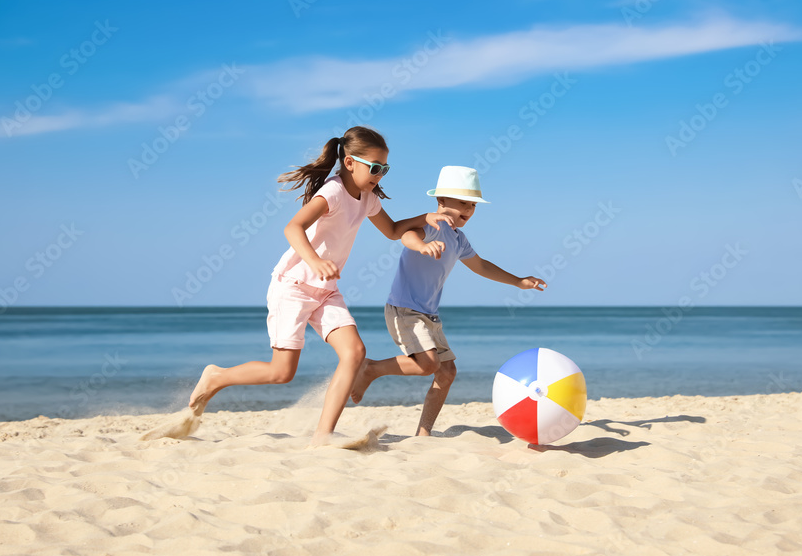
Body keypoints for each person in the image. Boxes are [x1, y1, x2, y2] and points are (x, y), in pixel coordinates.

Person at [186, 127, 452, 445]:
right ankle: (217, 376)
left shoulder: (367, 198)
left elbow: (393, 230)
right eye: (375, 167)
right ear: (350, 162)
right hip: (294, 286)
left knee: (354, 352)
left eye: (385, 169)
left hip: (326, 291)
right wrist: (314, 261)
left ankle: (322, 435)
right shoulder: (333, 192)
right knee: (281, 373)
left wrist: (426, 216)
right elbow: (293, 227)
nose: (380, 175)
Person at [350, 165, 547, 436]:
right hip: (404, 310)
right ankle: (370, 368)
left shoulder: (458, 238)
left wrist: (518, 281)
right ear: (441, 201)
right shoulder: (434, 224)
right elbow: (408, 234)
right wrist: (421, 246)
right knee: (428, 364)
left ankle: (423, 433)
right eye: (464, 203)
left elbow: (480, 265)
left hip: (428, 314)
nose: (469, 210)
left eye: (473, 205)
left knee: (447, 372)